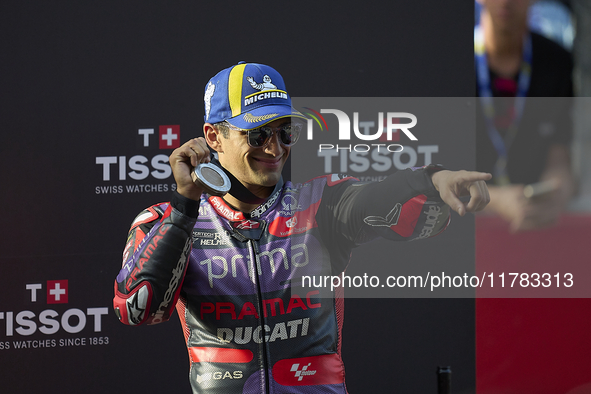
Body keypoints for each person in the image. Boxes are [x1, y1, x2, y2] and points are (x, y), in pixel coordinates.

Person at [113, 62, 491, 393]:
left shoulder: (320, 204)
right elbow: (136, 309)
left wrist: (432, 179)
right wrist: (184, 206)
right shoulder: (168, 220)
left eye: (285, 132)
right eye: (258, 133)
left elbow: (384, 202)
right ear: (214, 137)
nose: (274, 148)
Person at [475, 0, 575, 232]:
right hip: (462, 229)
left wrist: (558, 192)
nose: (506, 2)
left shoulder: (556, 62)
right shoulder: (448, 60)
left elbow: (559, 155)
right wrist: (496, 199)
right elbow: (434, 172)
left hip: (533, 228)